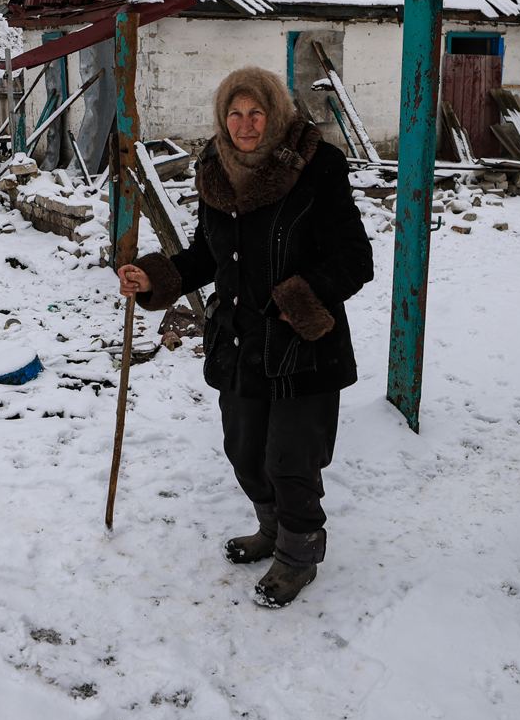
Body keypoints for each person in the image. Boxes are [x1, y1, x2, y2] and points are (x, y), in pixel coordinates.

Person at [118, 66, 373, 607]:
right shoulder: (215, 169)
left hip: (302, 341)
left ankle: (299, 554)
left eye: (256, 112)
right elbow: (208, 255)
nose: (246, 124)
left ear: (275, 112)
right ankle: (274, 530)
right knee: (245, 452)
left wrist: (299, 299)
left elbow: (355, 259)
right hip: (240, 341)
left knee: (291, 458)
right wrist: (156, 277)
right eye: (235, 113)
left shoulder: (315, 166)